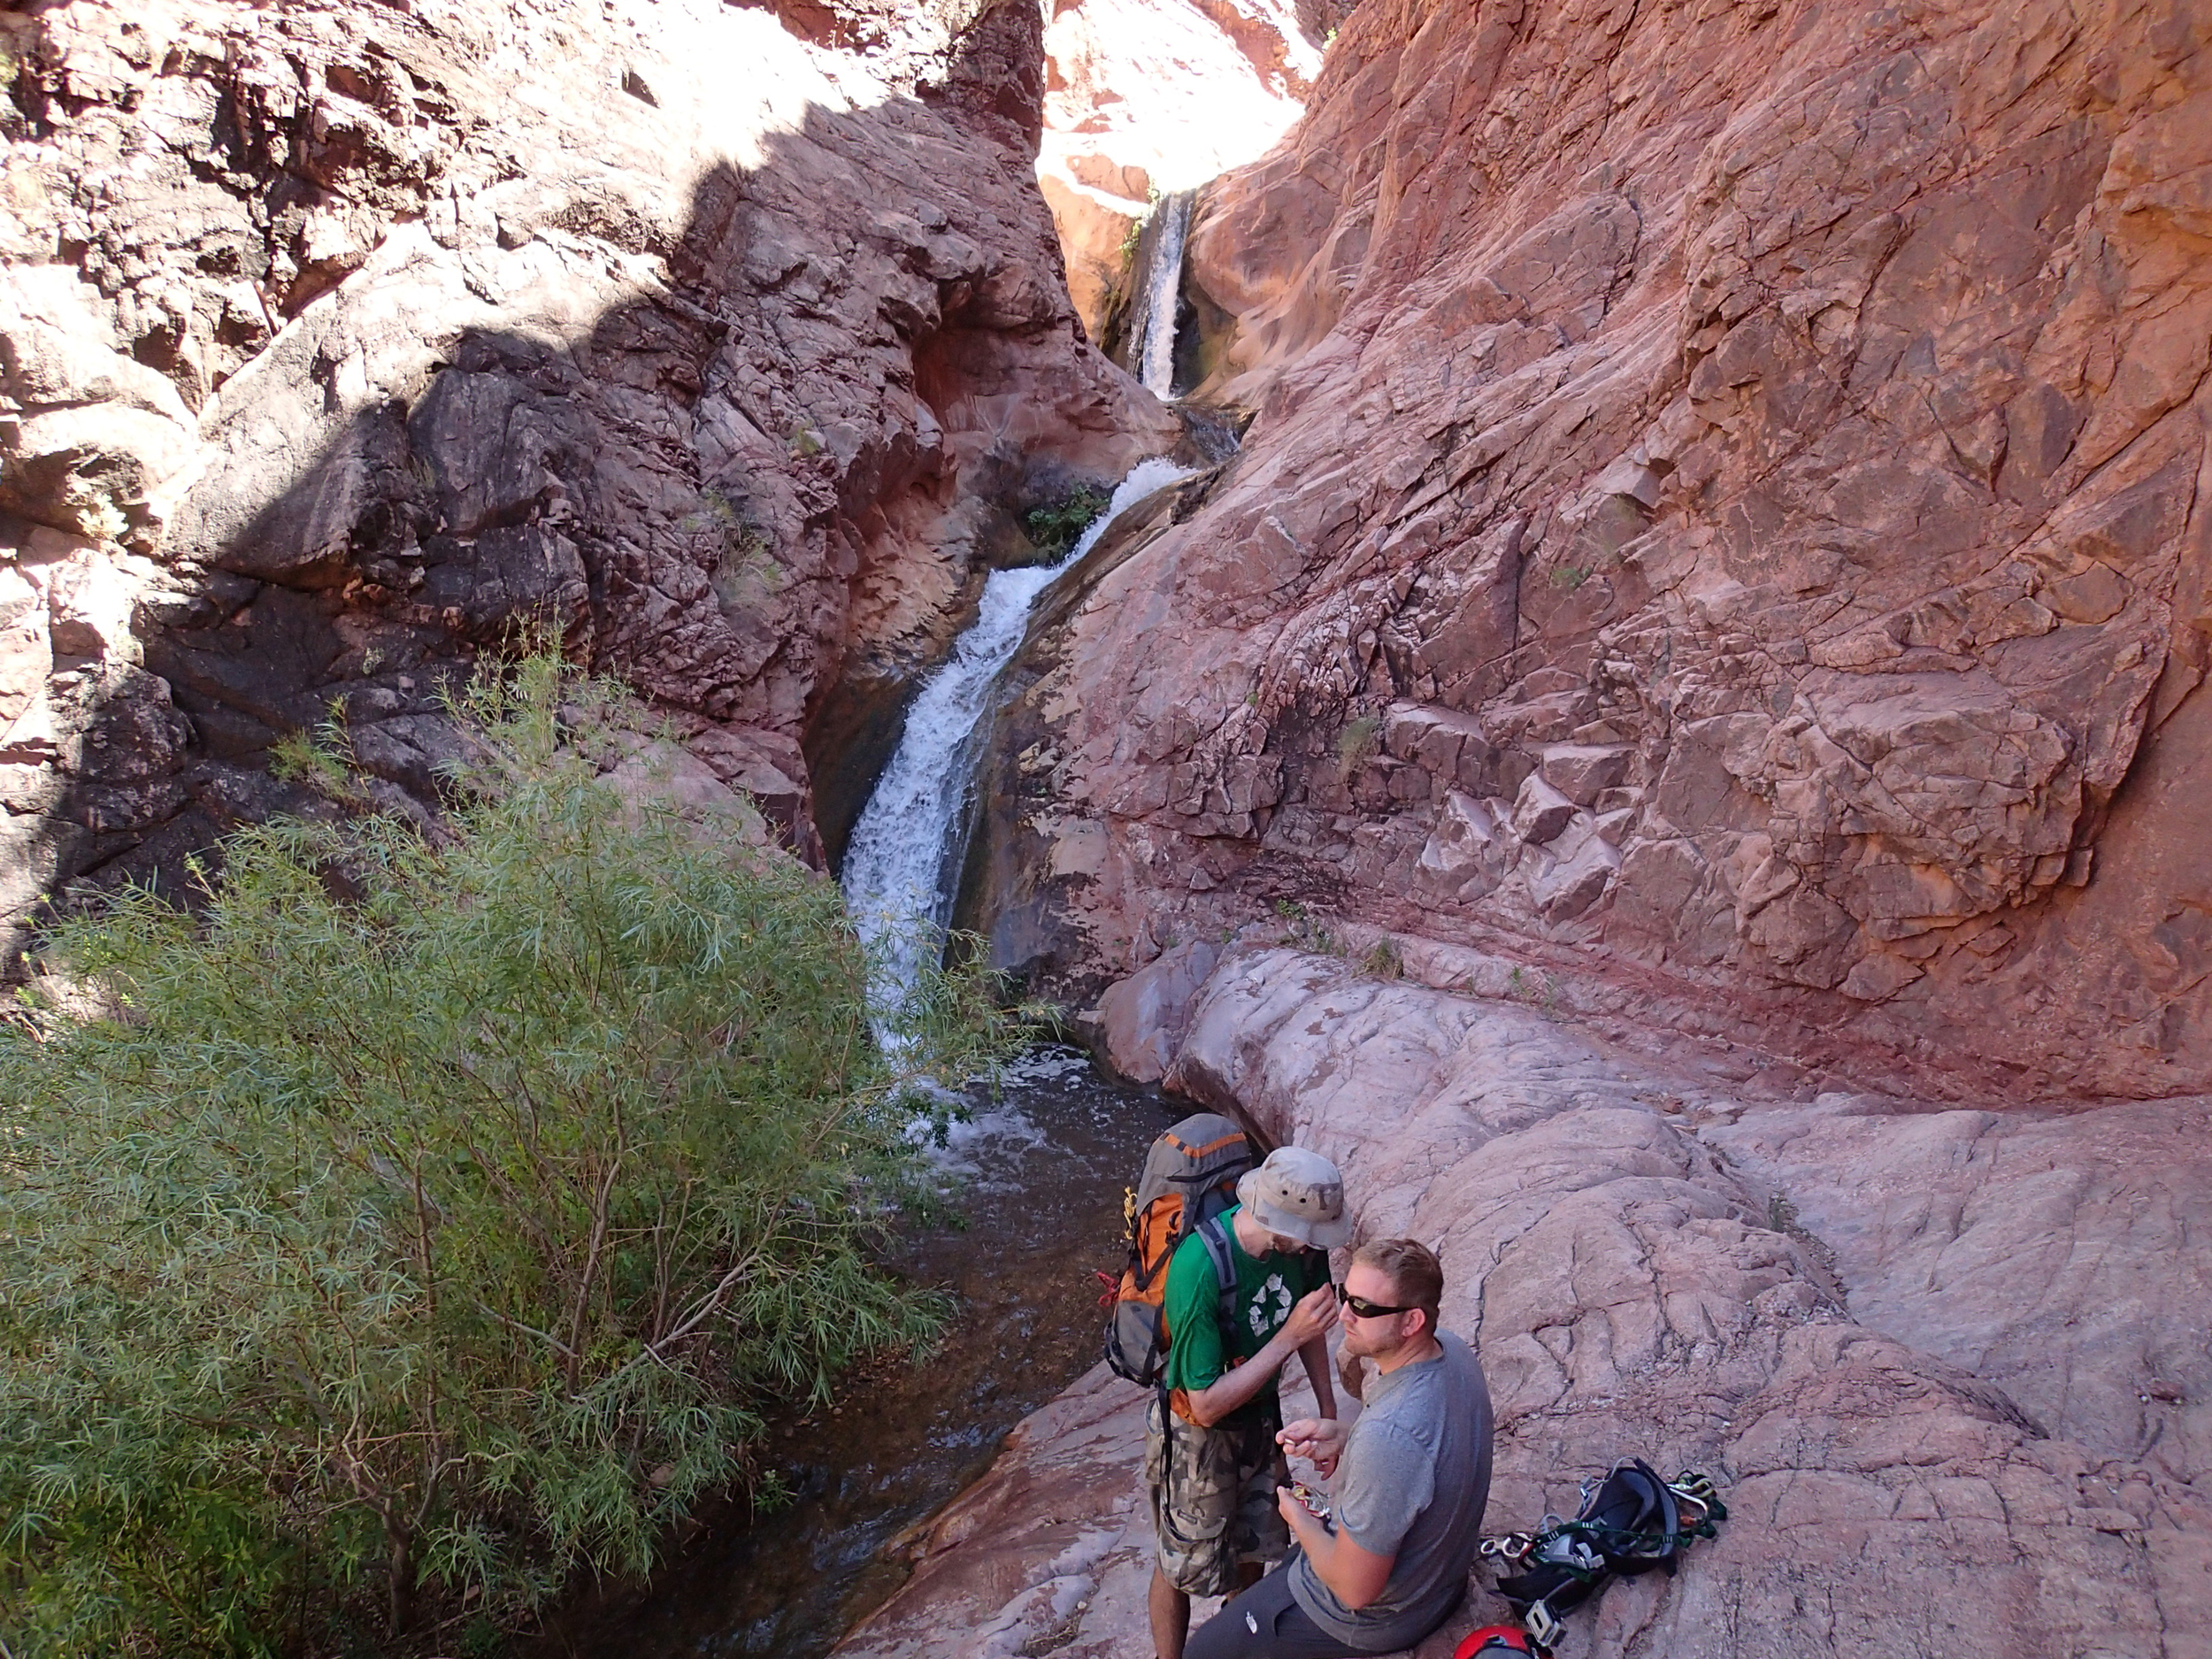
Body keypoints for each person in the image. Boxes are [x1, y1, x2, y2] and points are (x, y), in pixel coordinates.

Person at [1184, 1238, 1494, 1659]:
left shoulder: (1390, 1435)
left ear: (1411, 1322)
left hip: (1374, 1619)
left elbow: (1353, 1591)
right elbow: (1430, 1452)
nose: (1344, 1314)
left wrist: (1294, 1514)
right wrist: (1349, 1437)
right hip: (1438, 1581)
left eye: (1364, 1307)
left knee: (1204, 1651)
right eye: (1345, 1296)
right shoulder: (1454, 1354)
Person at [1148, 1147, 1353, 1659]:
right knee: (1181, 1563)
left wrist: (1328, 1418)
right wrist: (1287, 1336)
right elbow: (1207, 1402)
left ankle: (1233, 1646)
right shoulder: (1199, 1267)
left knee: (1257, 1545)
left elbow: (1311, 1328)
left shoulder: (1302, 1249)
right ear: (1278, 1221)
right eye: (1309, 1238)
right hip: (1198, 1432)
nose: (1314, 1248)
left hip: (1262, 1418)